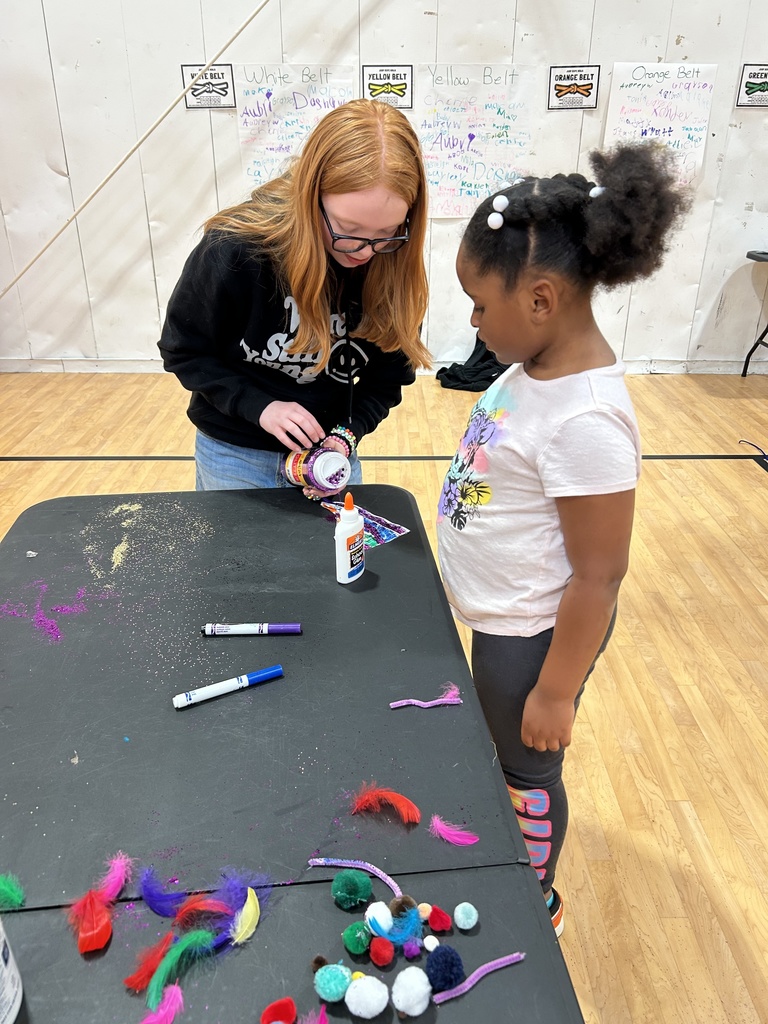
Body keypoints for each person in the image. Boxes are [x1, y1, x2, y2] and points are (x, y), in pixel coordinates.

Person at [436, 143, 689, 936]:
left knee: (527, 770)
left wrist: (552, 690)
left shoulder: (587, 422)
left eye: (480, 304)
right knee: (500, 758)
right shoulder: (529, 367)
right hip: (501, 615)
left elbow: (600, 577)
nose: (473, 321)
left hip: (531, 638)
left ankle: (534, 899)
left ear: (540, 300)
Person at [159, 100, 430, 497]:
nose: (365, 252)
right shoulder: (235, 250)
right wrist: (260, 407)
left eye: (386, 234)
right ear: (310, 196)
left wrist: (346, 435)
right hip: (235, 454)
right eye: (347, 229)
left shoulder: (393, 265)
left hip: (329, 458)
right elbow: (184, 351)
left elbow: (386, 381)